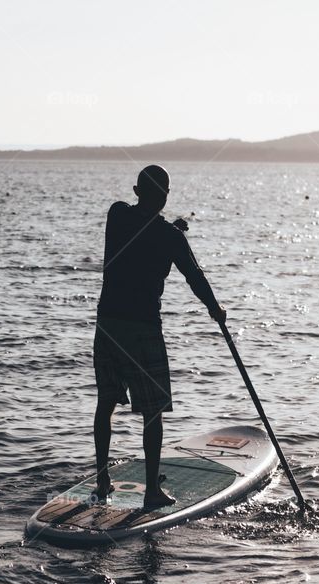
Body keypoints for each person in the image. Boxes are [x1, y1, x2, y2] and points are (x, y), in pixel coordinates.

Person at [92, 165, 226, 509]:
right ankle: (151, 491)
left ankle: (103, 481)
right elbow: (194, 276)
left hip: (108, 325)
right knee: (152, 412)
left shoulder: (117, 215)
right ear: (165, 197)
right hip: (142, 328)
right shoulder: (170, 238)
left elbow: (140, 226)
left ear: (137, 191)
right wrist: (215, 309)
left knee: (106, 402)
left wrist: (169, 230)